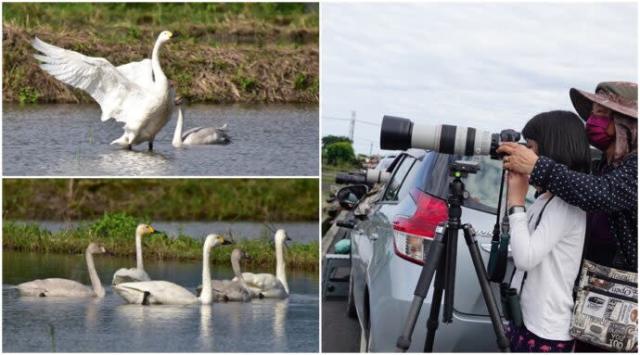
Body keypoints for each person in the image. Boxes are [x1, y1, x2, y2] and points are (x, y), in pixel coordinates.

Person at [498, 82, 637, 274]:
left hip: (625, 291)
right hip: (592, 282)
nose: (592, 120)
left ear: (625, 122)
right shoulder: (601, 168)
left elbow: (604, 194)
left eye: (601, 113)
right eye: (592, 114)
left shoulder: (633, 168)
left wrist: (537, 167)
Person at [505, 111, 592, 352]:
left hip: (546, 330)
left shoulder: (566, 204)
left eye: (530, 147)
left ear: (552, 150)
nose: (523, 154)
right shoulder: (546, 198)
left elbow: (525, 258)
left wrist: (516, 202)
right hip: (528, 319)